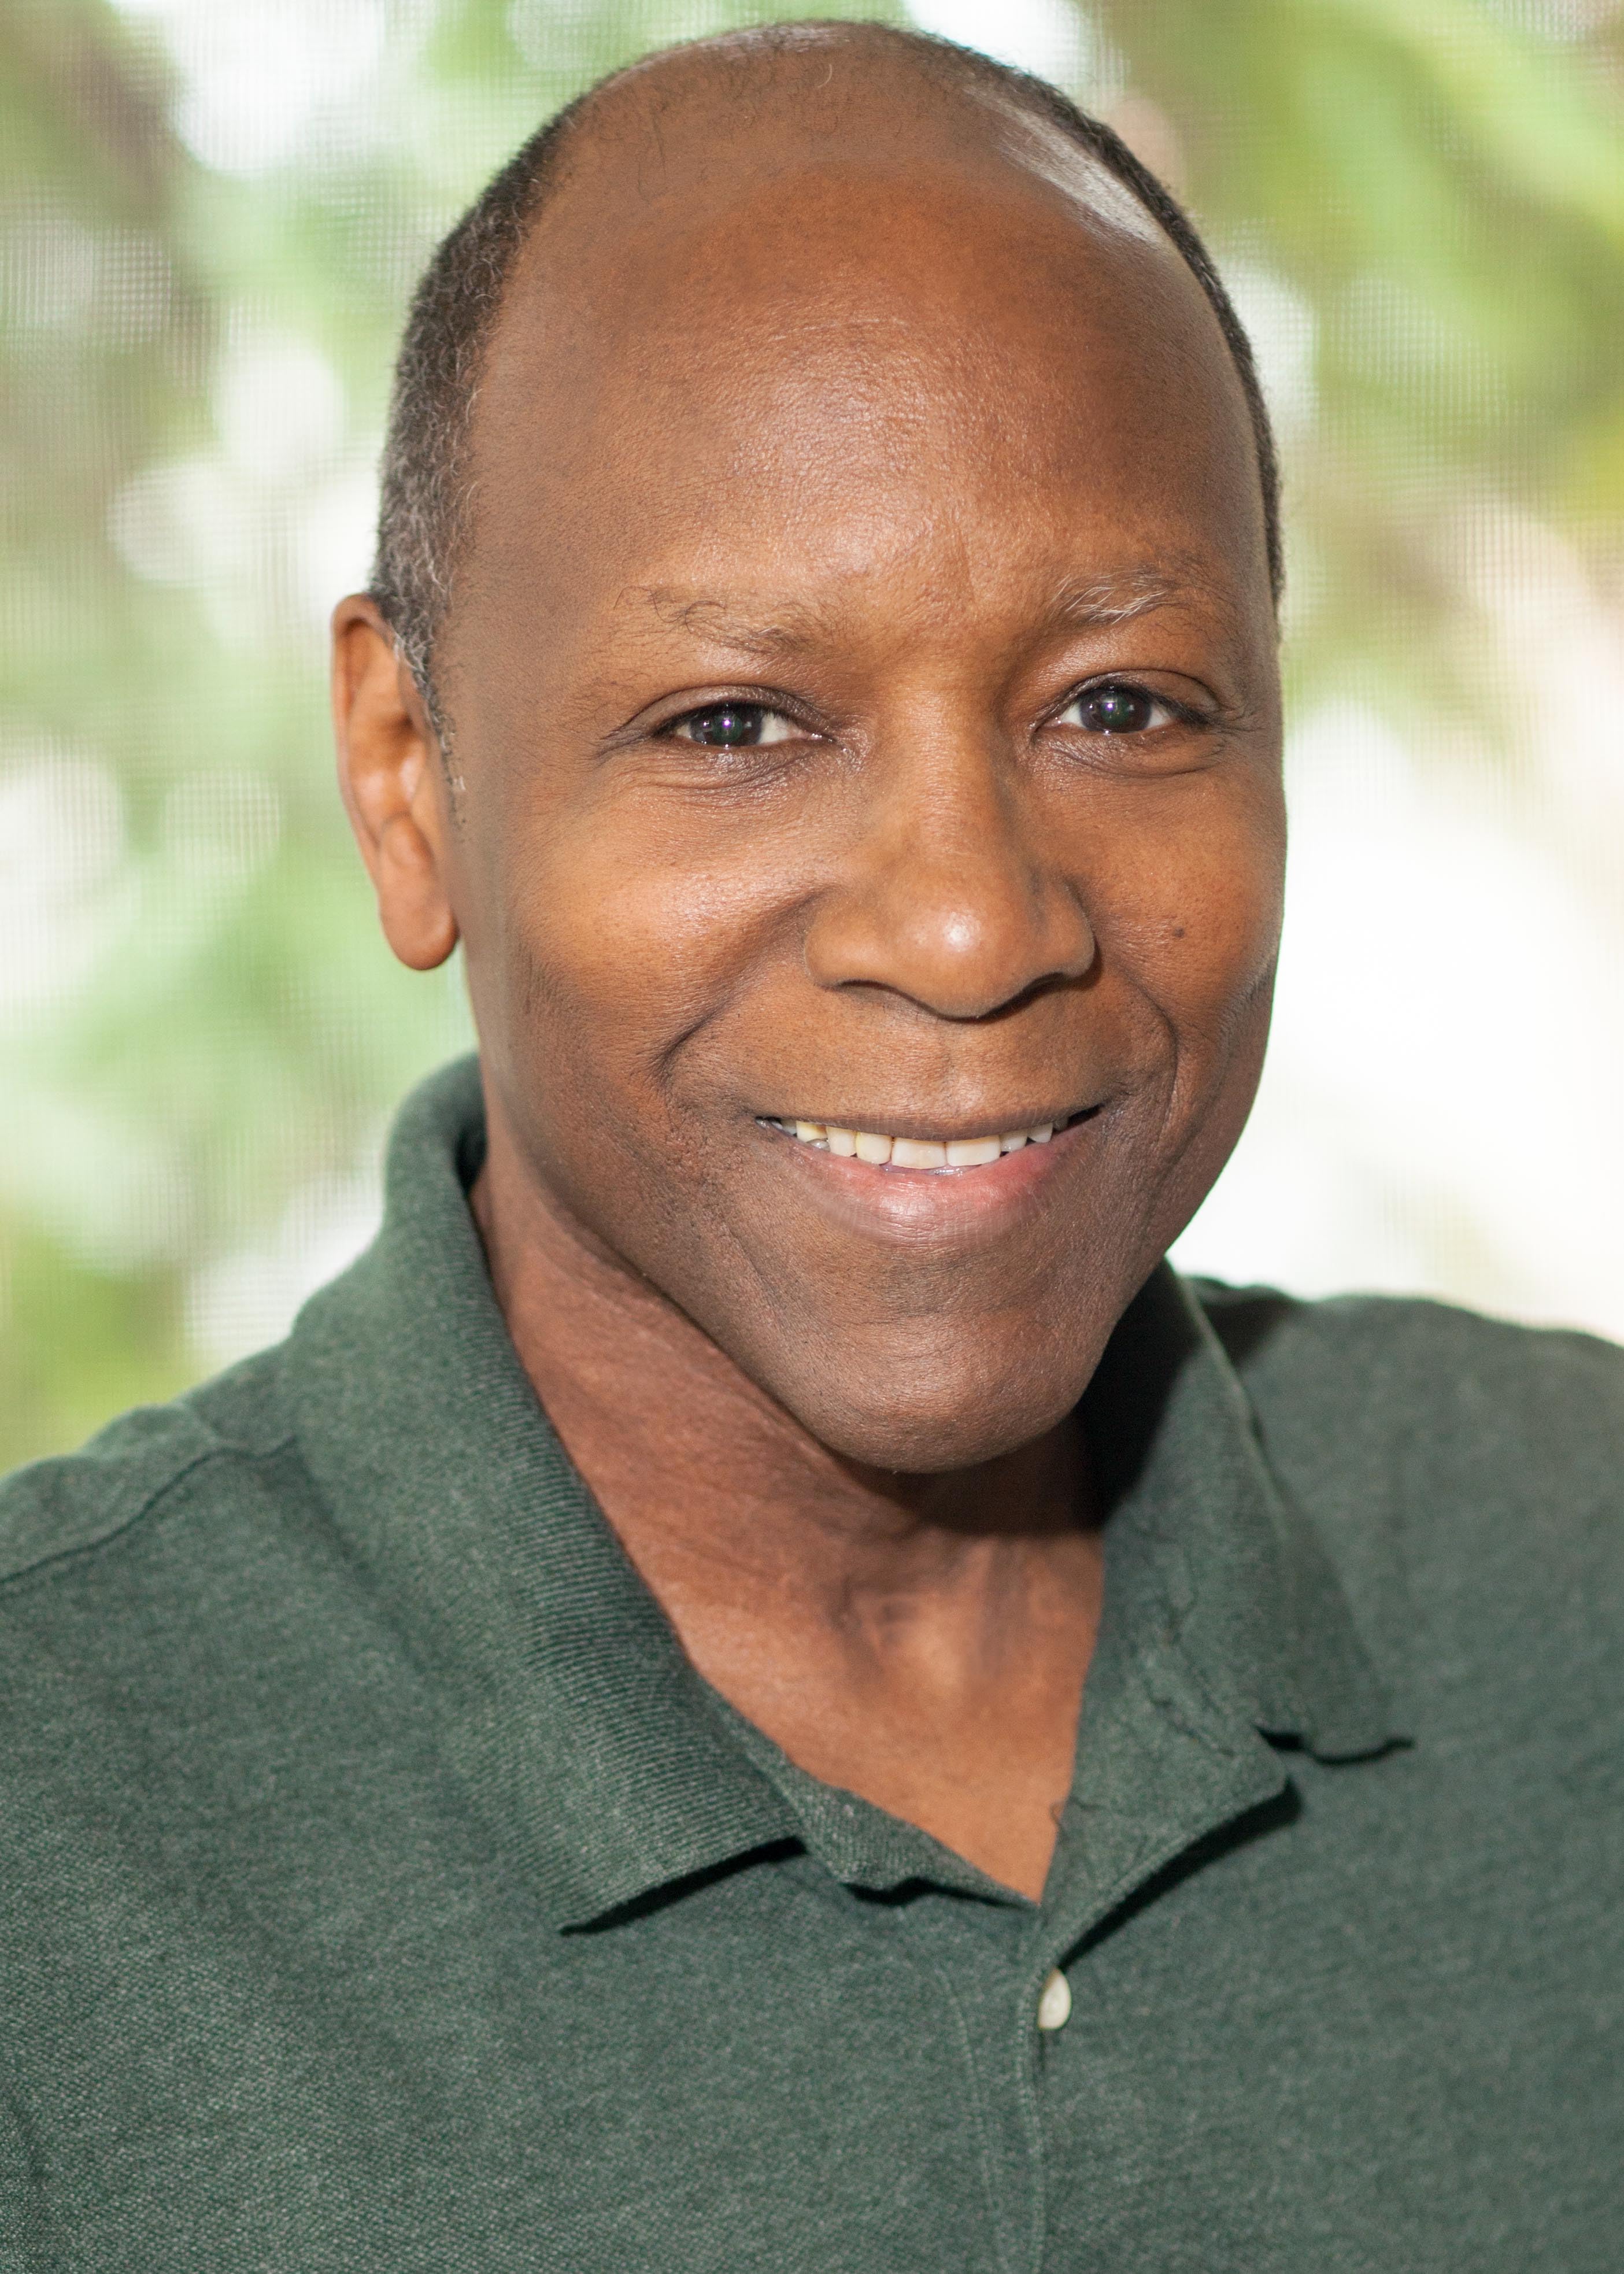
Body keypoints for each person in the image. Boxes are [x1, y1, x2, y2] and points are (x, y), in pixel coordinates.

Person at [1, 22, 1618, 2269]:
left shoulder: (1578, 1572)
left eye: (1121, 705)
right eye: (736, 723)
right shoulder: (54, 1821)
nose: (967, 928)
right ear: (406, 776)